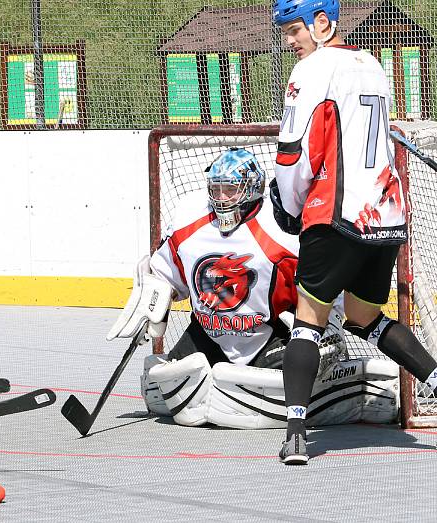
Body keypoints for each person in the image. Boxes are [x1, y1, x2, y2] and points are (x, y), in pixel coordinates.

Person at [107, 148, 399, 429]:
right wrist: (154, 296)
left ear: (252, 189)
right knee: (159, 390)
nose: (221, 198)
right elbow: (165, 271)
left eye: (230, 189)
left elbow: (323, 286)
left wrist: (326, 327)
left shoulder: (280, 229)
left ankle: (348, 381)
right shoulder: (190, 220)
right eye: (216, 188)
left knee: (282, 382)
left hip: (269, 336)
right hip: (210, 333)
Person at [271, 0, 437, 464]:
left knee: (308, 318)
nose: (289, 41)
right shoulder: (373, 64)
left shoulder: (311, 69)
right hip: (386, 212)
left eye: (293, 29)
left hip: (336, 213)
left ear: (322, 23)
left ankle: (297, 433)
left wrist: (287, 202)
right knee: (365, 318)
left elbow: (293, 152)